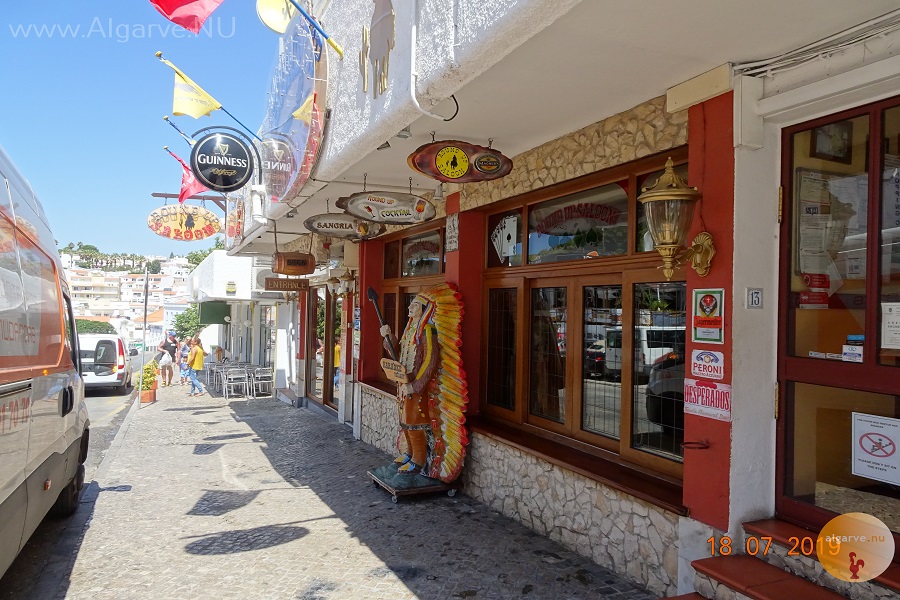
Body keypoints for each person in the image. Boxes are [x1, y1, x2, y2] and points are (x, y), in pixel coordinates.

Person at [378, 283, 468, 481]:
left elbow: (430, 360)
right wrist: (388, 336)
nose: (410, 308)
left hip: (417, 387)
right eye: (411, 305)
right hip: (404, 382)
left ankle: (418, 460)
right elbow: (397, 352)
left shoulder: (428, 330)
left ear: (424, 310)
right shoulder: (409, 330)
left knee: (414, 421)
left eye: (416, 305)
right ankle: (409, 454)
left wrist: (416, 385)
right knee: (404, 420)